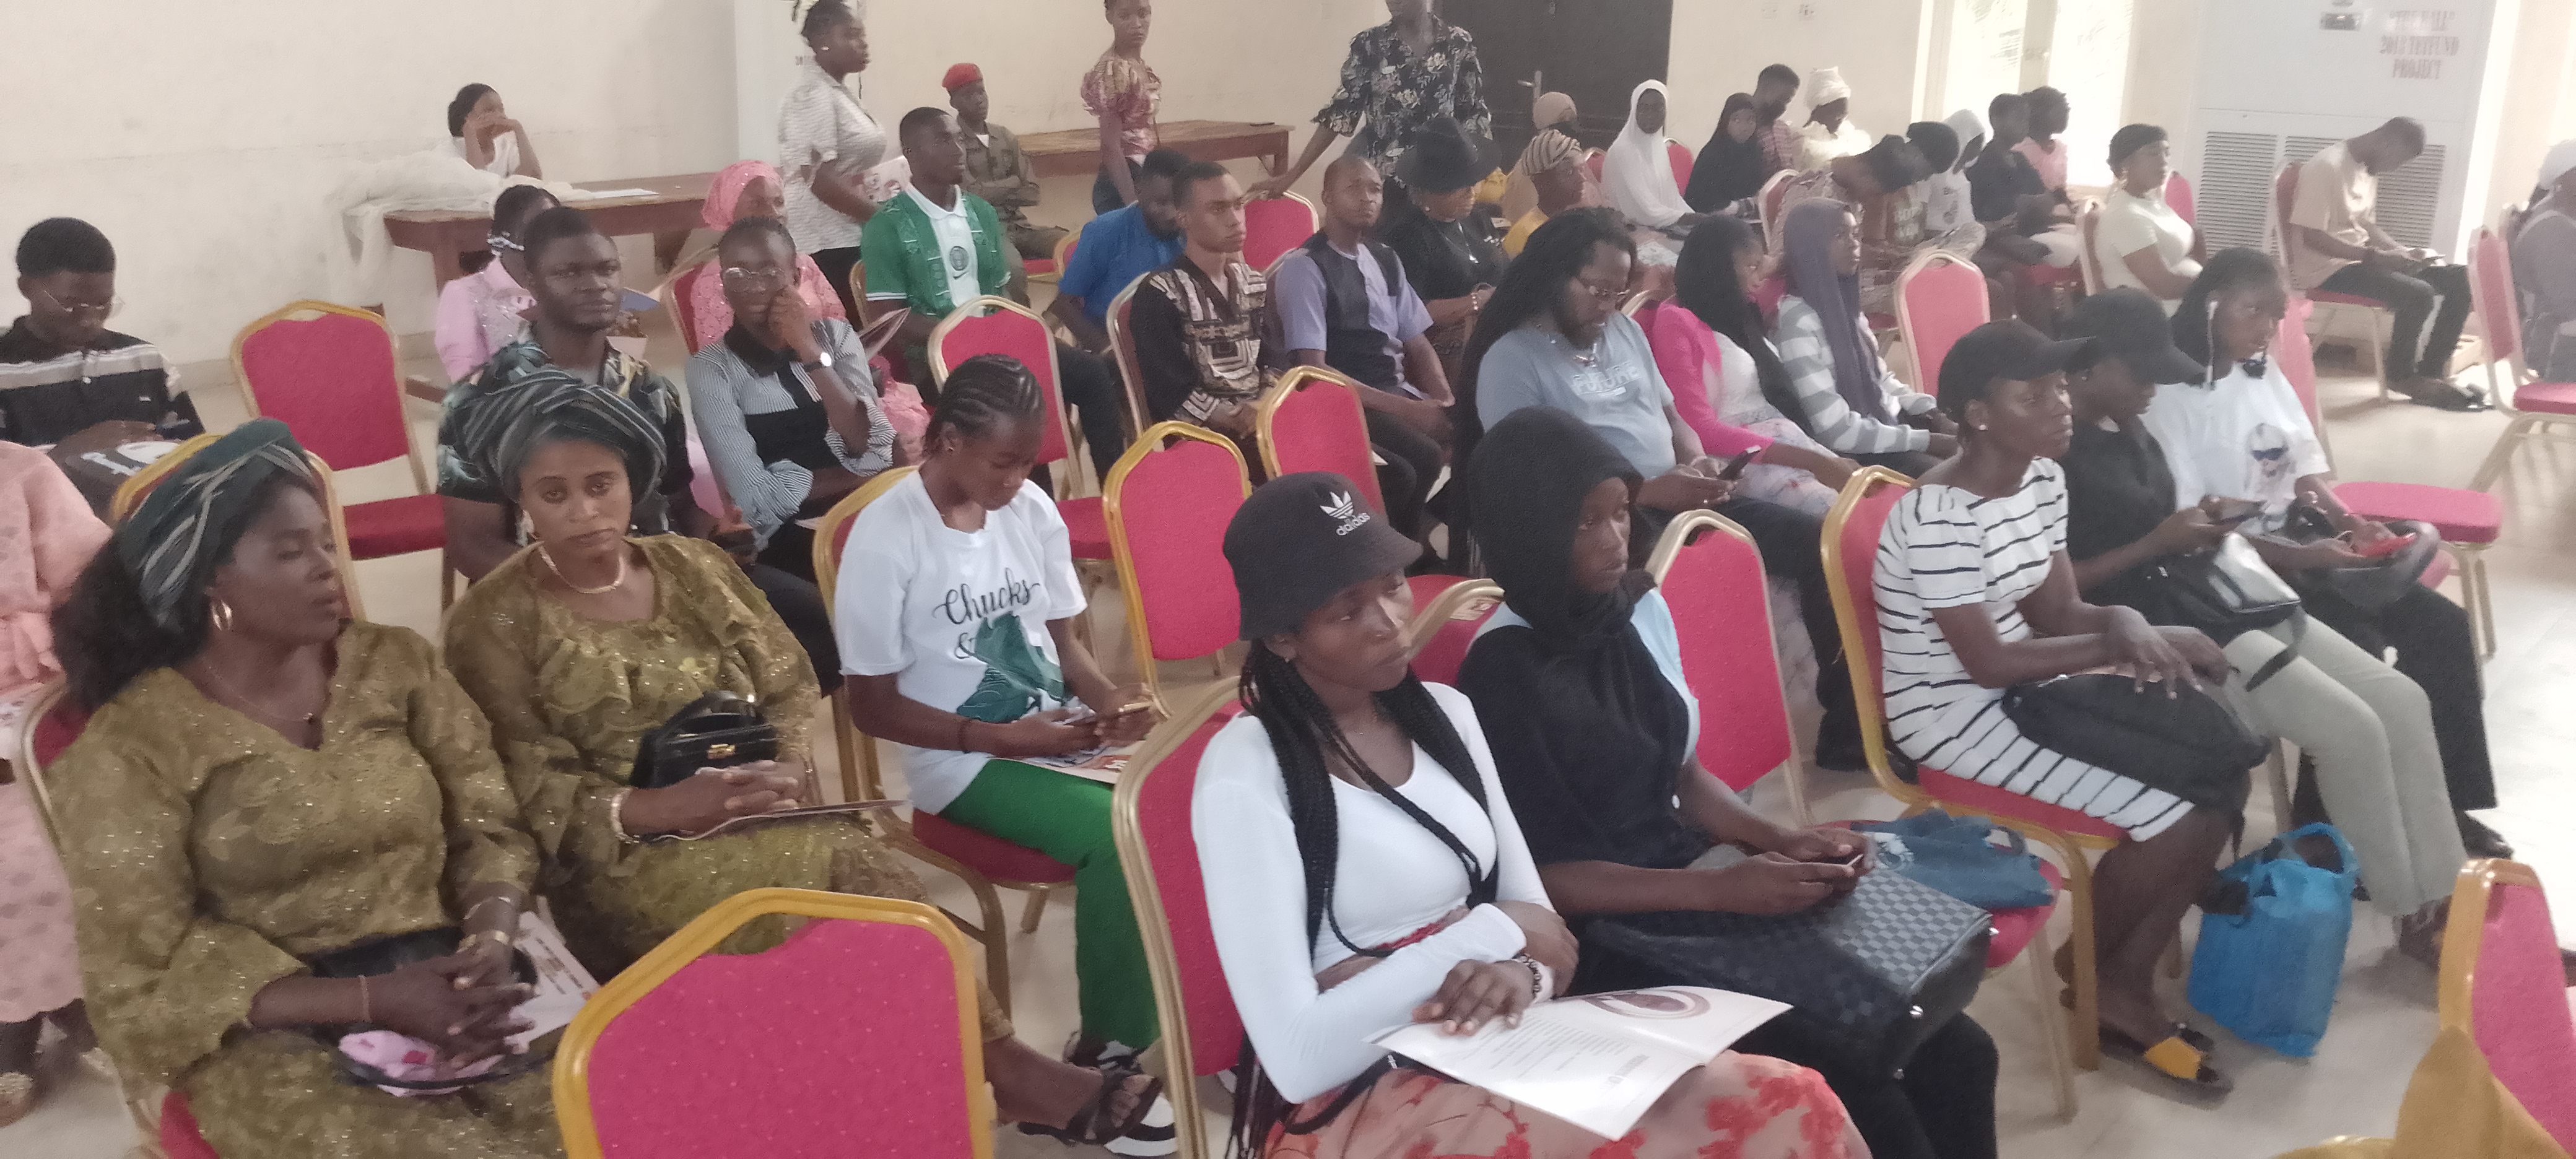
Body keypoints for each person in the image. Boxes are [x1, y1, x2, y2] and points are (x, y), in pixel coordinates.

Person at [432, 378, 1174, 1153]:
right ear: (521, 501)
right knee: (783, 913)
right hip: (630, 854)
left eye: (600, 484)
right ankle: (901, 1096)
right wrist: (654, 809)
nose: (585, 510)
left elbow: (786, 679)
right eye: (554, 494)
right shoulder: (495, 621)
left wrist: (784, 764)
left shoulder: (689, 566)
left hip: (759, 808)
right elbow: (512, 786)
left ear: (631, 481)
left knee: (891, 902)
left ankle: (986, 1068)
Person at [1197, 468, 1866, 1159]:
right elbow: (1299, 1058)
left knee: (1791, 1098)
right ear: (1282, 637)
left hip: (1497, 1035)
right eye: (1347, 612)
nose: (1391, 622)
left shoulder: (1445, 716)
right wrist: (1491, 931)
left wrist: (1520, 972)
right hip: (1370, 1091)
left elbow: (1550, 940)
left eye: (1392, 586)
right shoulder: (1246, 773)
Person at [1458, 406, 1995, 1159]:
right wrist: (1719, 890)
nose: (1615, 540)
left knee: (1960, 1051)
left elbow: (1681, 775)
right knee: (1864, 1083)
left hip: (1695, 885)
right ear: (1528, 532)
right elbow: (1546, 881)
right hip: (1607, 936)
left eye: (1620, 512)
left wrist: (1780, 838)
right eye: (1584, 523)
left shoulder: (1627, 609)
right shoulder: (1501, 675)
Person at [46, 420, 557, 1157]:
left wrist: (491, 937)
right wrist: (370, 999)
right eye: (291, 552)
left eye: (324, 542)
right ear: (208, 579)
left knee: (611, 1109)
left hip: (449, 975)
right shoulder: (137, 746)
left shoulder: (395, 665)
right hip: (272, 1028)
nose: (327, 567)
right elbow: (139, 972)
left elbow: (489, 821)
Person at [1878, 320, 2240, 1095]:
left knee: (2218, 780)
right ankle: (2103, 981)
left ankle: (2114, 979)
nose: (2060, 406)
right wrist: (2121, 639)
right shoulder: (1936, 514)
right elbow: (1985, 662)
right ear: (1978, 415)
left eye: (2059, 389)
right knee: (2173, 815)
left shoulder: (2042, 478)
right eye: (2033, 395)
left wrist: (2136, 627)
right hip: (1949, 714)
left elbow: (2055, 613)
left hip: (2026, 681)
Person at [2056, 288, 2469, 958]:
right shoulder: (2053, 457)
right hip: (2155, 629)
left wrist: (2206, 522)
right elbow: (2050, 592)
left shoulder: (2128, 428)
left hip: (2214, 594)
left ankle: (2447, 896)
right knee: (2352, 732)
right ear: (2088, 369)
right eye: (2142, 375)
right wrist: (2155, 544)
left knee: (2402, 700)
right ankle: (2413, 913)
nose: (2154, 389)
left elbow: (2163, 523)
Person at [838, 355, 1166, 1070]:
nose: (1018, 479)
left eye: (1027, 462)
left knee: (1193, 792)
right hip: (960, 762)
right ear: (949, 439)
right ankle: (1108, 1053)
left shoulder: (1029, 510)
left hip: (1052, 732)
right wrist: (1001, 739)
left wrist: (1110, 702)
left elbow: (1065, 645)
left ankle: (1199, 1007)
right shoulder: (886, 537)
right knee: (1120, 835)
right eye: (1002, 463)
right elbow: (871, 707)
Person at [1460, 209, 1865, 765]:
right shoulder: (1512, 360)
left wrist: (1696, 462)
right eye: (1597, 290)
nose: (1609, 305)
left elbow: (1674, 417)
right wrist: (1646, 492)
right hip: (1599, 524)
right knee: (1683, 586)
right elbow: (1534, 486)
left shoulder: (1624, 332)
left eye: (1618, 291)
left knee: (1819, 544)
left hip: (1679, 493)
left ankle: (1845, 730)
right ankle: (1689, 750)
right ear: (1554, 276)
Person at [2154, 248, 2511, 858]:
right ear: (2210, 307)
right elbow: (2196, 527)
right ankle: (2325, 836)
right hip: (2231, 564)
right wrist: (2305, 559)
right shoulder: (2172, 394)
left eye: (2275, 315)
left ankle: (2448, 804)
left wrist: (2346, 520)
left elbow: (2302, 468)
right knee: (2357, 647)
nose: (2267, 329)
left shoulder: (2259, 371)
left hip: (2300, 541)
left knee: (2444, 629)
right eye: (2253, 312)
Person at [440, 208, 840, 685]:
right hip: (555, 597)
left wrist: (718, 533)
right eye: (569, 272)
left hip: (668, 578)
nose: (595, 285)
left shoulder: (648, 388)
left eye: (606, 269)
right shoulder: (480, 400)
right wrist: (593, 590)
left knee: (828, 629)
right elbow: (473, 545)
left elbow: (678, 505)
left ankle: (731, 725)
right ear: (531, 280)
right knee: (682, 678)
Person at [863, 107, 1131, 476]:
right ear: (911, 153)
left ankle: (1115, 489)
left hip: (998, 344)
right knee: (1014, 398)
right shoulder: (886, 225)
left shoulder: (981, 212)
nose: (958, 150)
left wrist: (1017, 333)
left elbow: (1001, 294)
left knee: (1093, 374)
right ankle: (1030, 496)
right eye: (943, 140)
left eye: (959, 139)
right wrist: (962, 336)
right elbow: (888, 318)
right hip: (937, 357)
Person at [685, 217, 895, 579]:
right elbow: (757, 499)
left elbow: (869, 442)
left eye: (769, 272)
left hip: (874, 510)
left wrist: (810, 351)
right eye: (737, 274)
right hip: (792, 534)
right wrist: (861, 477)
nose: (754, 287)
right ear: (723, 285)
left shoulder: (837, 337)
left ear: (795, 278)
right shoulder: (712, 369)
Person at [0, 444, 107, 1125]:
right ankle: (33, 1017)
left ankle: (70, 1005)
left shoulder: (20, 474)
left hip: (43, 701)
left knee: (35, 855)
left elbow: (103, 598)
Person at [1274, 157, 1453, 544]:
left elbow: (1418, 343)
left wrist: (1443, 399)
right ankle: (1397, 554)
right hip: (1346, 401)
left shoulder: (1386, 258)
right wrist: (1410, 410)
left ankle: (1430, 541)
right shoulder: (1306, 268)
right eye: (1354, 187)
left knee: (1475, 436)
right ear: (1327, 197)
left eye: (1375, 189)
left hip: (1397, 393)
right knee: (1419, 459)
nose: (1368, 198)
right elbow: (1314, 371)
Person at [1638, 216, 1856, 518]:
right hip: (1741, 458)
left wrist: (1817, 456)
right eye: (1751, 267)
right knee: (1838, 516)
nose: (1758, 279)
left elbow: (1774, 266)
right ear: (1719, 268)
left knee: (1867, 498)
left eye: (1759, 266)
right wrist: (1810, 460)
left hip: (1788, 443)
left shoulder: (1737, 314)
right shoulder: (1675, 321)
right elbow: (1699, 428)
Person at [1, 218, 204, 505]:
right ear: (27, 287)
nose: (90, 320)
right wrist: (63, 457)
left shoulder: (144, 360)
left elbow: (198, 453)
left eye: (103, 304)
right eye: (70, 304)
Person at [2287, 118, 2482, 409]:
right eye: (2398, 161)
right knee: (2418, 294)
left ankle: (2431, 373)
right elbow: (2311, 238)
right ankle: (2401, 377)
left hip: (2360, 259)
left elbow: (2366, 226)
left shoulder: (2366, 168)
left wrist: (2401, 252)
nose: (2395, 168)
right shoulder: (2325, 167)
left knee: (2461, 278)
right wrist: (2373, 257)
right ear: (2386, 143)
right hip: (2326, 269)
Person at [1775, 199, 1956, 474]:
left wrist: (1932, 413)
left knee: (1983, 449)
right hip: (1858, 453)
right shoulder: (1798, 323)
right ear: (1809, 248)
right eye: (1839, 235)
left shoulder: (1845, 308)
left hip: (1886, 426)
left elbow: (1880, 380)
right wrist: (1929, 441)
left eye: (1855, 234)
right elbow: (1836, 430)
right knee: (1960, 476)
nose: (1854, 244)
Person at [1251, 0, 1490, 200]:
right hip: (1383, 185)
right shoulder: (1370, 45)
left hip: (1441, 183)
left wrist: (1472, 176)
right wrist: (1293, 175)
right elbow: (1340, 113)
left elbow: (1472, 112)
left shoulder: (1457, 43)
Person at [1130, 162, 1275, 438]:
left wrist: (1263, 405)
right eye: (1218, 209)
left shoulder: (1254, 283)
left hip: (1264, 422)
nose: (1235, 220)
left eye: (1238, 205)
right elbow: (1170, 391)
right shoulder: (1160, 293)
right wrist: (1233, 419)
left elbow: (1273, 363)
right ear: (1183, 218)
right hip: (1201, 439)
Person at [1376, 118, 1509, 388]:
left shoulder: (1478, 219)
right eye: (1459, 185)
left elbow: (1503, 270)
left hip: (1492, 331)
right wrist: (1479, 301)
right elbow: (1416, 313)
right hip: (1442, 350)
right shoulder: (1406, 235)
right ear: (1428, 191)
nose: (1471, 191)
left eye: (1472, 181)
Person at [777, 0, 889, 315]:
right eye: (851, 35)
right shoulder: (812, 94)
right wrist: (884, 219)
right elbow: (819, 181)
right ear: (822, 42)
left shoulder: (837, 91)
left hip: (849, 228)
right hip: (825, 239)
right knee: (849, 326)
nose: (863, 43)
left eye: (862, 35)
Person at [681, 161, 848, 354]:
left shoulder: (804, 264)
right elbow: (721, 358)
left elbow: (840, 329)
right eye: (756, 204)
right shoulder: (717, 279)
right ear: (729, 210)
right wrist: (803, 346)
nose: (774, 212)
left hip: (827, 362)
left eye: (779, 202)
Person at [1765, 135, 1939, 313]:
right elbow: (1785, 262)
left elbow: (1843, 245)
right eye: (1874, 193)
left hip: (1837, 279)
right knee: (1910, 293)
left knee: (1920, 279)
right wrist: (1854, 258)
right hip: (1803, 289)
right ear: (1864, 173)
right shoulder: (1812, 191)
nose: (1870, 201)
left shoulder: (1848, 189)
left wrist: (1887, 255)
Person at [1048, 147, 1191, 354]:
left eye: (1179, 204)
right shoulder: (1106, 231)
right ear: (1139, 190)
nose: (1171, 214)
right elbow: (1064, 304)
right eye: (1160, 202)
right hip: (1115, 339)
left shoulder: (1194, 230)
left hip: (1177, 339)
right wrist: (1108, 352)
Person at [946, 63, 1068, 302]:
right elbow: (972, 196)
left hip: (1020, 226)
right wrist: (1013, 182)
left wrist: (992, 191)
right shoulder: (954, 143)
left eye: (981, 91)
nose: (979, 100)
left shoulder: (1004, 136)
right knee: (1012, 272)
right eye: (968, 95)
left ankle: (1060, 314)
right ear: (954, 102)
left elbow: (1032, 193)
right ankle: (1021, 323)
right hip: (986, 230)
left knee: (1081, 248)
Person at [1967, 93, 2082, 324]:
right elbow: (1994, 209)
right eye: (2019, 118)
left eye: (2027, 119)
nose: (2025, 125)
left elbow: (2042, 196)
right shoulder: (1985, 162)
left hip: (2031, 229)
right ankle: (2044, 331)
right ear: (1996, 121)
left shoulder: (2019, 159)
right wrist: (2028, 203)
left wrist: (2033, 202)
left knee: (2083, 246)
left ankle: (2068, 322)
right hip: (2004, 234)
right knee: (2026, 270)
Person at [436, 185, 562, 381]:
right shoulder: (464, 294)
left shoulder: (564, 288)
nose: (552, 240)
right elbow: (465, 381)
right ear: (507, 235)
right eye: (539, 230)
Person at [2094, 124, 2201, 311]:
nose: (2164, 160)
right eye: (2153, 153)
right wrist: (2214, 283)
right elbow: (2164, 286)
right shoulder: (2125, 216)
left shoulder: (2150, 202)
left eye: (2167, 153)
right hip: (2155, 317)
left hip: (2183, 307)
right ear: (2126, 163)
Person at [1083, 0, 1162, 213]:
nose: (1137, 24)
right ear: (1110, 17)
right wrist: (1133, 205)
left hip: (1146, 174)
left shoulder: (1140, 66)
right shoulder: (1113, 70)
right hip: (1122, 184)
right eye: (1125, 16)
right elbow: (1110, 147)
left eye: (1143, 14)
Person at [2512, 139, 2576, 381]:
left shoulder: (2561, 216)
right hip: (2559, 350)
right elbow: (2570, 305)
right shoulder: (2552, 230)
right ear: (2560, 180)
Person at [1603, 81, 1702, 233]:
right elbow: (1646, 210)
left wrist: (1701, 221)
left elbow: (1673, 200)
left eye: (1657, 108)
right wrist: (1696, 219)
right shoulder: (1622, 151)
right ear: (1634, 111)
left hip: (1662, 226)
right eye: (1644, 108)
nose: (1651, 115)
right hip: (1630, 232)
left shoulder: (1658, 147)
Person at [1500, 92, 1595, 223]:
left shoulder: (1572, 161)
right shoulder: (1537, 167)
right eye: (1562, 119)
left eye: (1572, 118)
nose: (1570, 124)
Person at [1502, 131, 1591, 258]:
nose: (1582, 179)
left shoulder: (1574, 223)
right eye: (1569, 172)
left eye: (1581, 170)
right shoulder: (1527, 235)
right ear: (1540, 181)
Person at [1687, 93, 1769, 216]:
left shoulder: (1756, 151)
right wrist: (1745, 206)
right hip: (1708, 220)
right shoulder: (1712, 154)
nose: (1744, 128)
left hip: (1746, 218)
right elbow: (1704, 203)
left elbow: (1758, 193)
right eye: (1737, 120)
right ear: (1725, 122)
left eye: (1751, 120)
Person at [448, 84, 542, 178]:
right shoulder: (453, 148)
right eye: (489, 111)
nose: (499, 116)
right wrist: (469, 133)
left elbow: (533, 178)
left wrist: (519, 130)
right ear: (467, 117)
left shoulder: (506, 145)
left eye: (501, 110)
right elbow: (476, 181)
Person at [1796, 67, 1871, 172]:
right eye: (1838, 115)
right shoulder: (1802, 144)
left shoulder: (1848, 136)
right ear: (1819, 109)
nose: (1841, 120)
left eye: (1845, 115)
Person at [2011, 87, 2070, 199]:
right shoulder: (2020, 150)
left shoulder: (2060, 149)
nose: (2067, 112)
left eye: (2067, 108)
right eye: (2060, 110)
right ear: (2041, 113)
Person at [1753, 64, 1806, 181]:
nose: (1784, 107)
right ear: (1766, 88)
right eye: (1782, 99)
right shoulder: (1741, 129)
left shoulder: (1783, 130)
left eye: (1788, 101)